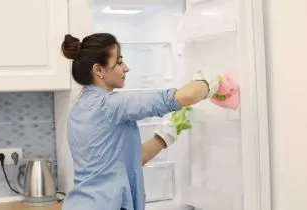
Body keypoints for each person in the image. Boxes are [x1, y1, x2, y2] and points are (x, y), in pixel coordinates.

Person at [60, 33, 219, 210]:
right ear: (99, 70)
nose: (126, 68)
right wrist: (210, 85)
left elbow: (125, 161)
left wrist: (166, 135)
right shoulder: (110, 105)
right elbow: (182, 96)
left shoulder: (79, 107)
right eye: (119, 62)